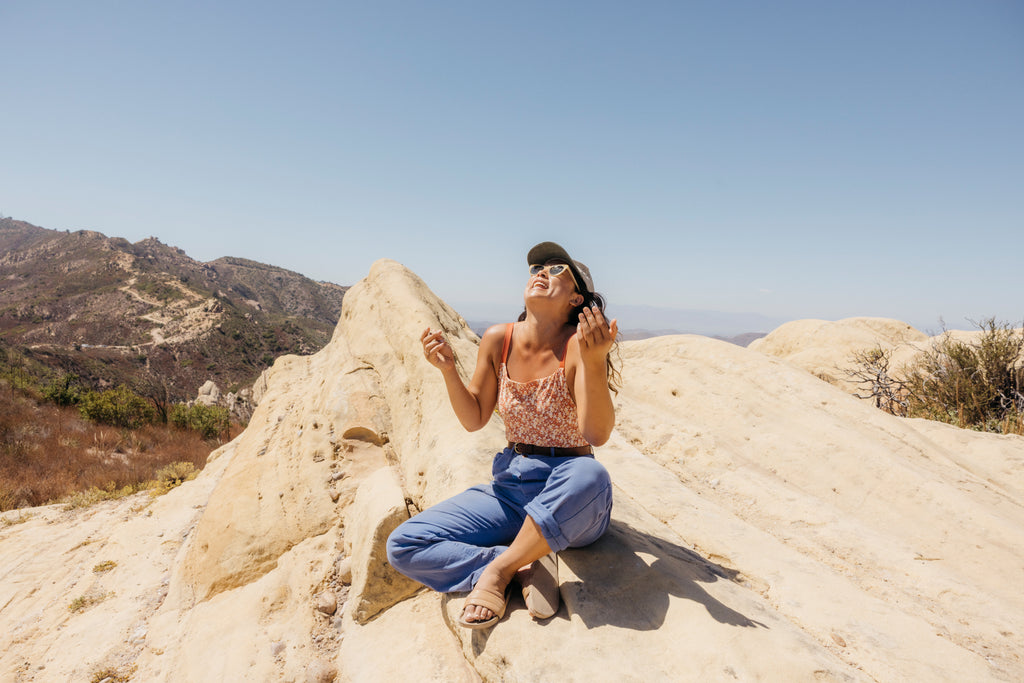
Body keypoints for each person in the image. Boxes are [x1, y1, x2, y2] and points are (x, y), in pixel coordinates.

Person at [386, 241, 620, 629]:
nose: (541, 272)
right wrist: (447, 370)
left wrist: (594, 363)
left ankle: (497, 571)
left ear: (576, 297)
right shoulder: (499, 339)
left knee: (592, 476)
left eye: (557, 269)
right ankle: (524, 563)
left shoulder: (580, 344)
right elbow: (475, 417)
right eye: (536, 269)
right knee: (404, 545)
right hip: (511, 489)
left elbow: (596, 434)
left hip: (569, 493)